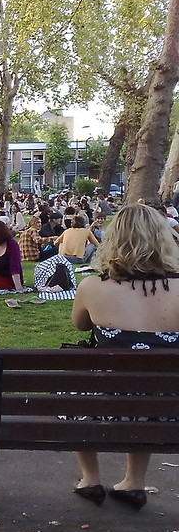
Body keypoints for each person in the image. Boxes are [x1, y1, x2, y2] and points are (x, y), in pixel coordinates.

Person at [70, 204, 179, 510]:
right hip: (167, 406)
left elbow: (80, 324)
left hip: (106, 400)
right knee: (149, 388)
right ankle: (134, 481)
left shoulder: (92, 287)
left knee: (76, 389)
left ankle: (90, 478)